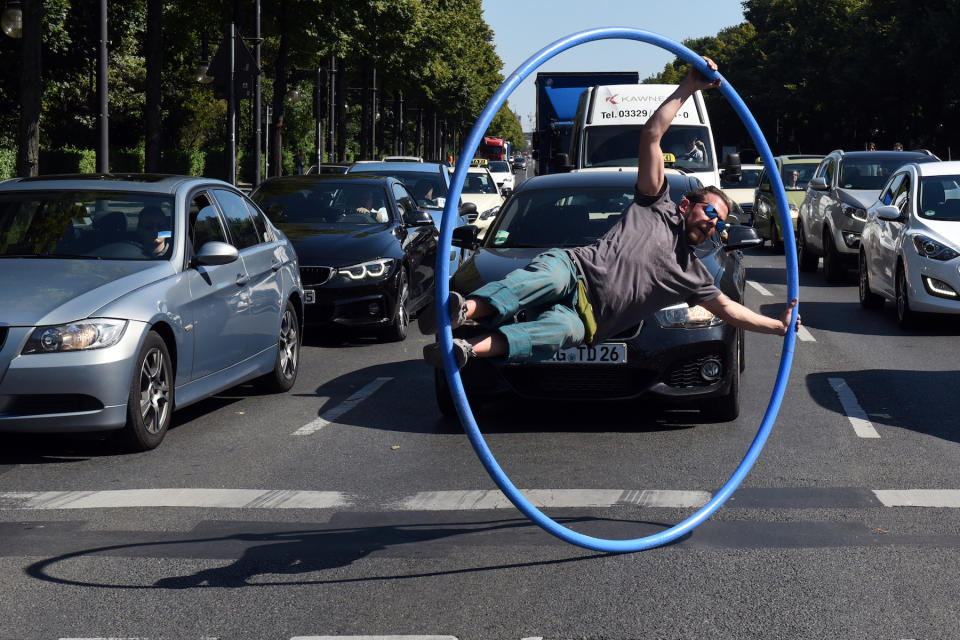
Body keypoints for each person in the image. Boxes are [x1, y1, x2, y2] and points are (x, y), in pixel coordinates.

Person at [419, 56, 799, 369]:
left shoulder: (692, 277)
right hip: (574, 271)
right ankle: (462, 311)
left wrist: (778, 326)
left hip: (588, 319)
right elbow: (651, 135)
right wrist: (689, 86)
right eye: (709, 211)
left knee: (554, 334)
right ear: (685, 205)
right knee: (545, 277)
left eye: (719, 221)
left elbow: (732, 311)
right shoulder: (655, 203)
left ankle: (465, 351)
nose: (713, 222)